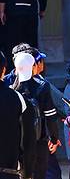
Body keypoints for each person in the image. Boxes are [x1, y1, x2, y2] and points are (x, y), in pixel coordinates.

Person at [13, 49, 60, 179]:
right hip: (39, 142)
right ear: (33, 66)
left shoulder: (11, 90)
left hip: (17, 144)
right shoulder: (42, 87)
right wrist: (54, 138)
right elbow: (50, 116)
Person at [0, 48, 36, 179]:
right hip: (8, 172)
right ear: (4, 69)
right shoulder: (18, 99)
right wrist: (28, 173)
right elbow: (28, 140)